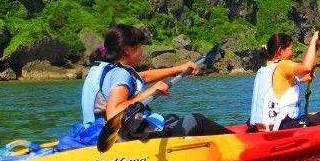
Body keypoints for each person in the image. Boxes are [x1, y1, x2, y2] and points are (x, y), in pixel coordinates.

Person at [80, 24, 231, 142]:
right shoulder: (120, 73)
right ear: (127, 50)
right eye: (139, 47)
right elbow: (113, 112)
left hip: (94, 132)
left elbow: (142, 77)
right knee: (197, 121)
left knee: (172, 117)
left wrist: (179, 68)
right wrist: (151, 91)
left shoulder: (103, 67)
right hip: (116, 138)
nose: (142, 52)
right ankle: (241, 142)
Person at [248, 31, 320, 131]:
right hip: (280, 127)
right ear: (280, 51)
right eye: (291, 49)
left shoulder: (265, 68)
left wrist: (303, 79)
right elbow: (306, 67)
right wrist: (313, 41)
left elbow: (281, 86)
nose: (293, 53)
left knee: (307, 116)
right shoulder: (282, 64)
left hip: (259, 126)